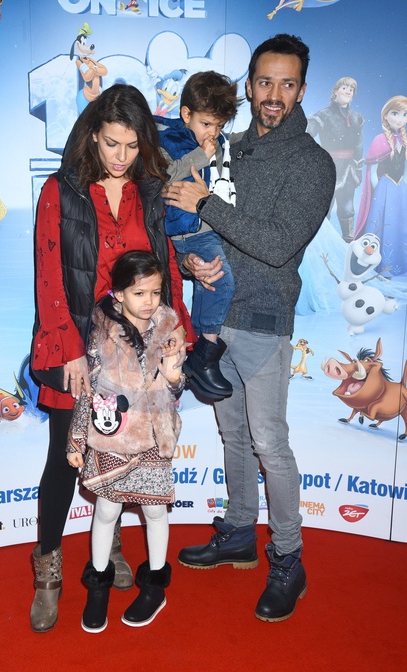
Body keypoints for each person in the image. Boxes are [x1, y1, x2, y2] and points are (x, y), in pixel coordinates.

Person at [163, 33, 336, 622]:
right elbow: (194, 228)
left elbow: (278, 244)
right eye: (265, 82)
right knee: (233, 436)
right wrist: (192, 262)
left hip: (262, 319)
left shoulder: (312, 163)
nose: (274, 94)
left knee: (269, 443)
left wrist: (205, 204)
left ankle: (288, 557)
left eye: (287, 84)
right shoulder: (224, 146)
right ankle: (238, 531)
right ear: (250, 86)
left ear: (302, 90)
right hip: (216, 319)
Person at [30, 84, 194, 633]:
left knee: (130, 447)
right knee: (66, 458)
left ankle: (112, 549)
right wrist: (70, 350)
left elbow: (165, 264)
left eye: (131, 144)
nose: (121, 156)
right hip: (78, 347)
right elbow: (49, 276)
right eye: (110, 143)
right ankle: (48, 569)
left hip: (139, 354)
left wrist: (176, 327)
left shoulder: (151, 191)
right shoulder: (61, 191)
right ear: (92, 136)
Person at [67, 250, 184, 631]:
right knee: (106, 511)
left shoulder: (169, 328)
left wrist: (173, 378)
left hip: (153, 435)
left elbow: (176, 386)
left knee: (155, 512)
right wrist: (76, 440)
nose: (149, 301)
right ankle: (98, 588)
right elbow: (87, 390)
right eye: (139, 293)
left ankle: (154, 587)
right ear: (118, 294)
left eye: (156, 292)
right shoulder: (101, 333)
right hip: (113, 438)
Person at [155, 71, 242, 400]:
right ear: (186, 114)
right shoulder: (169, 139)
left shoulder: (221, 143)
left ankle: (202, 355)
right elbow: (162, 177)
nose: (213, 133)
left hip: (208, 227)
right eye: (206, 123)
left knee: (215, 284)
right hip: (188, 232)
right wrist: (199, 156)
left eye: (219, 126)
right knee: (222, 282)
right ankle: (204, 356)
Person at [354, 95, 407, 276]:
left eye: (405, 115)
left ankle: (399, 262)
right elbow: (373, 170)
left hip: (401, 189)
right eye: (395, 113)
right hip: (384, 189)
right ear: (386, 115)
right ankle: (381, 264)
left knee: (400, 222)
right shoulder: (379, 139)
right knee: (383, 223)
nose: (400, 119)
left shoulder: (404, 140)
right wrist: (378, 192)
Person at [307, 76, 364, 242]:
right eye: (344, 88)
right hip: (328, 168)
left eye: (351, 89)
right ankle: (319, 243)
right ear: (335, 91)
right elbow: (307, 135)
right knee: (324, 207)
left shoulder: (356, 117)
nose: (348, 91)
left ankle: (347, 243)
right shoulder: (323, 114)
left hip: (350, 169)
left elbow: (359, 145)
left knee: (347, 208)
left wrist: (358, 169)